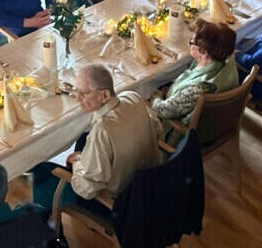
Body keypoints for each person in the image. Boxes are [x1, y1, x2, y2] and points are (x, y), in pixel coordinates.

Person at [31, 64, 163, 215]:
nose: (77, 98)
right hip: (148, 184)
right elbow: (157, 129)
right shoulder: (133, 97)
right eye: (76, 91)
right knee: (83, 139)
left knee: (42, 168)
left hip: (117, 203)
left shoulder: (103, 130)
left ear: (105, 95)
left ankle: (45, 220)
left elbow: (87, 189)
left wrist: (77, 163)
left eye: (84, 94)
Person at [152, 20, 238, 142]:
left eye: (191, 42)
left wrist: (155, 95)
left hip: (178, 138)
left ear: (203, 51)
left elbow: (162, 110)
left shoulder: (199, 89)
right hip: (212, 125)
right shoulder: (225, 64)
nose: (190, 44)